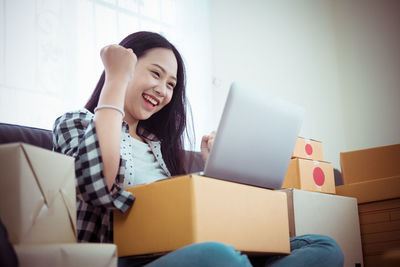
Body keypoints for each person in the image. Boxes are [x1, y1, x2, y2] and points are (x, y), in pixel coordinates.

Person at [52, 31, 344, 266]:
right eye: (156, 74)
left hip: (179, 250)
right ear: (127, 67)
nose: (164, 91)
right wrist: (115, 79)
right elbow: (96, 184)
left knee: (322, 246)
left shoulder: (156, 146)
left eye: (171, 84)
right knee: (219, 257)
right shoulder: (75, 122)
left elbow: (178, 216)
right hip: (125, 259)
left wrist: (211, 173)